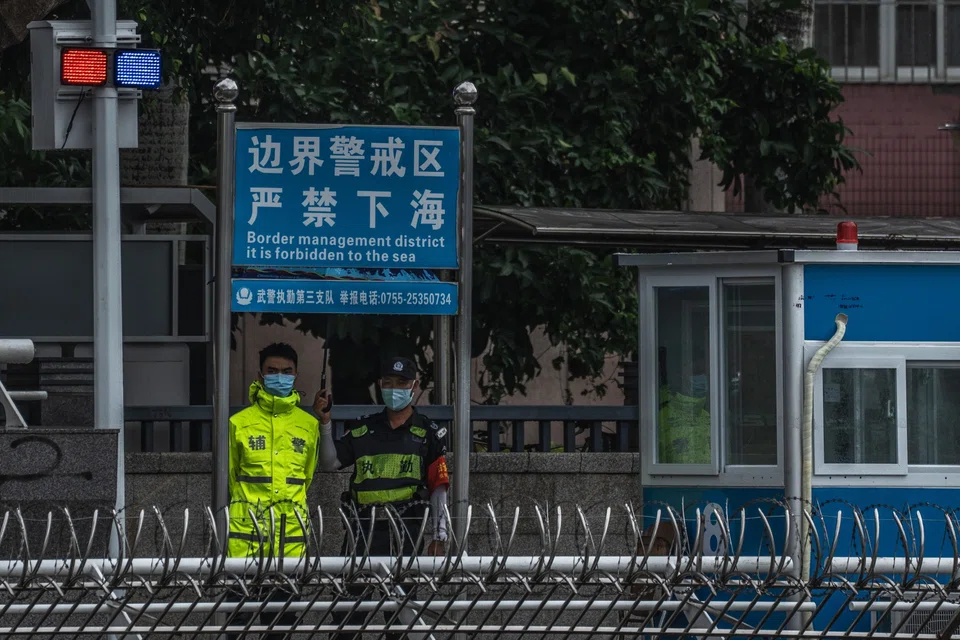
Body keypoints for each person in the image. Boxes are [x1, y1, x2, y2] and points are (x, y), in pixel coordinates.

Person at [313, 356, 449, 639]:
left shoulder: (429, 432)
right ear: (380, 384)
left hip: (406, 532)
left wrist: (439, 535)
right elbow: (330, 463)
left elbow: (439, 486)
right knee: (347, 616)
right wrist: (325, 423)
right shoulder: (364, 428)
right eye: (389, 382)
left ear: (414, 386)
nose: (394, 388)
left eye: (402, 383)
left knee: (401, 617)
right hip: (362, 530)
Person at [225, 342, 320, 640]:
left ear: (296, 375)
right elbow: (231, 477)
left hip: (289, 538)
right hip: (245, 537)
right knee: (236, 621)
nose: (280, 376)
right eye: (273, 371)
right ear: (260, 374)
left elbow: (307, 478)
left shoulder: (308, 425)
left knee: (281, 623)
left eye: (286, 372)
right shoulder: (238, 423)